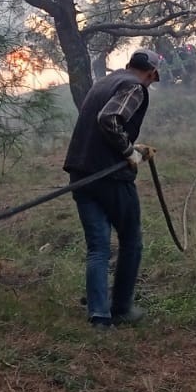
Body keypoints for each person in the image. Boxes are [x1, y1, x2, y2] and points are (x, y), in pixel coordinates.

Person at [62, 48, 159, 328]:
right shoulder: (134, 86)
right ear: (151, 72)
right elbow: (109, 118)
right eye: (153, 79)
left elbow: (101, 126)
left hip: (81, 174)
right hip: (109, 178)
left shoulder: (105, 82)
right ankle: (121, 308)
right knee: (131, 241)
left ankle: (99, 316)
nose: (150, 84)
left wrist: (133, 147)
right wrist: (129, 151)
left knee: (98, 248)